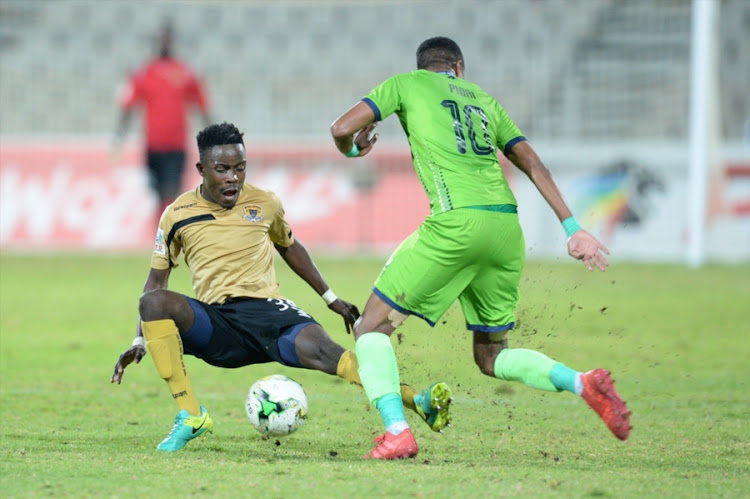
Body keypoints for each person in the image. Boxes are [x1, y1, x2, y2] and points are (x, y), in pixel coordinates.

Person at [329, 37, 631, 460]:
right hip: (506, 229)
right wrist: (572, 226)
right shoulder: (485, 100)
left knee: (369, 329)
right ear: (458, 67)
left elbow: (341, 129)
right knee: (491, 356)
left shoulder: (405, 84)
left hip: (456, 223)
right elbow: (532, 162)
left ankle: (397, 432)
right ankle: (581, 382)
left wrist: (355, 149)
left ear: (424, 67)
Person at [110, 122, 452, 452]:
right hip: (219, 323)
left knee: (329, 354)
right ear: (201, 168)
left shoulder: (265, 203)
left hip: (270, 315)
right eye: (222, 169)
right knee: (155, 302)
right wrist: (140, 338)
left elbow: (290, 247)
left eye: (240, 168)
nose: (233, 178)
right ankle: (191, 416)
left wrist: (330, 297)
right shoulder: (177, 214)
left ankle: (418, 402)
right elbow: (156, 280)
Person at [113, 21, 211, 217]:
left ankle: (170, 236)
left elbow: (202, 106)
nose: (164, 42)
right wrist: (118, 137)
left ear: (172, 41)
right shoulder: (143, 73)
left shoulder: (185, 72)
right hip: (153, 145)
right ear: (155, 41)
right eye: (161, 38)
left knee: (172, 192)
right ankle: (162, 237)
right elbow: (127, 106)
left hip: (176, 145)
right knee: (158, 194)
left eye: (167, 38)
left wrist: (213, 140)